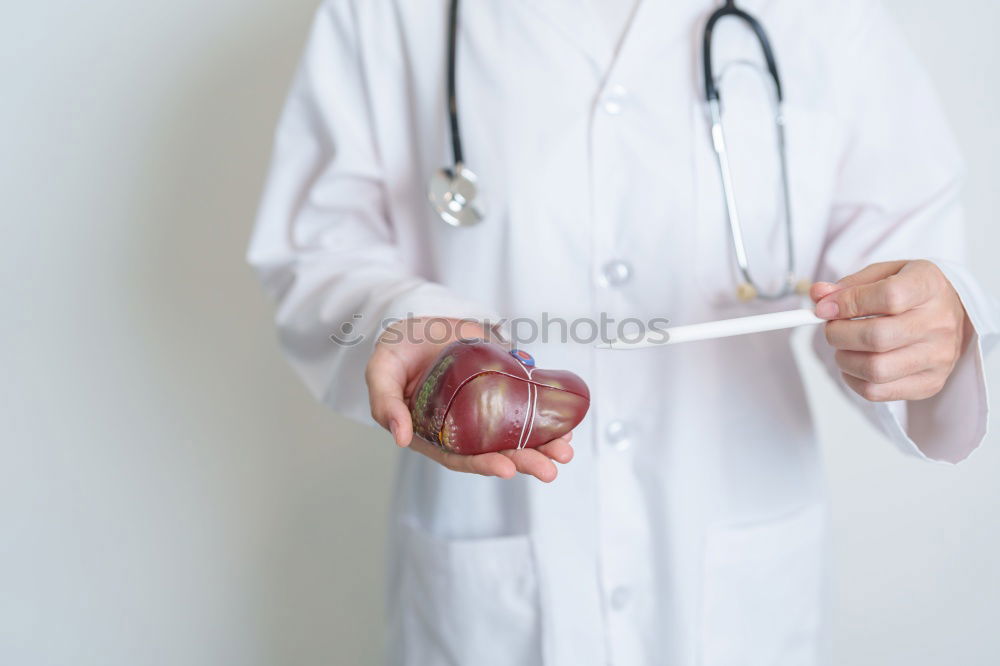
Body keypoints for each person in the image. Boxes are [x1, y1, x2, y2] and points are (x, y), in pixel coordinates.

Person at [248, 1, 999, 664]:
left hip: (737, 586)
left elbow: (902, 267)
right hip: (490, 585)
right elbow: (317, 255)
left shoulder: (827, 16)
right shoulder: (387, 14)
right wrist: (397, 318)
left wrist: (926, 326)